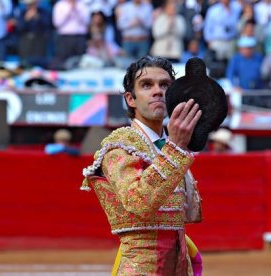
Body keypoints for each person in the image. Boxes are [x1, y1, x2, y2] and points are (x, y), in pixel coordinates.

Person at [81, 56, 203, 275]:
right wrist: (175, 147)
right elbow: (139, 204)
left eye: (165, 85)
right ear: (131, 99)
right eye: (147, 85)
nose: (158, 91)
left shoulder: (170, 145)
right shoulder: (119, 147)